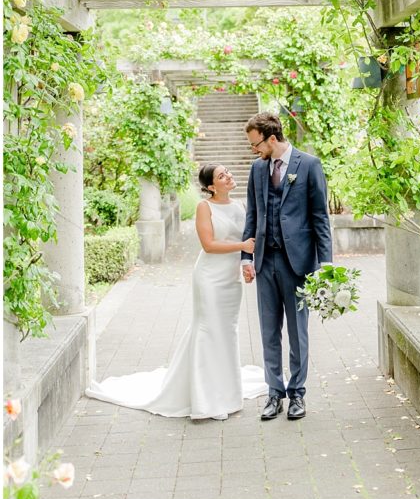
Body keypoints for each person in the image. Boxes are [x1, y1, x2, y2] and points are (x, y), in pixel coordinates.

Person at [86, 164, 266, 419]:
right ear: (211, 186)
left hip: (230, 279)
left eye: (227, 172)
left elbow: (246, 243)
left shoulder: (238, 205)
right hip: (210, 277)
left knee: (227, 331)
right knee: (207, 330)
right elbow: (209, 245)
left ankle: (227, 392)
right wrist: (242, 245)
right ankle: (205, 399)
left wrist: (246, 262)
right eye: (221, 176)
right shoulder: (205, 207)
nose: (228, 176)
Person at [242, 113, 333, 421]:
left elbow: (320, 218)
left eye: (256, 144)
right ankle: (273, 393)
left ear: (272, 139)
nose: (253, 150)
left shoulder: (309, 165)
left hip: (299, 263)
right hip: (266, 261)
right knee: (268, 331)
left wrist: (326, 265)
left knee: (297, 332)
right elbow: (252, 216)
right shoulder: (257, 170)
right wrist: (246, 258)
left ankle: (297, 394)